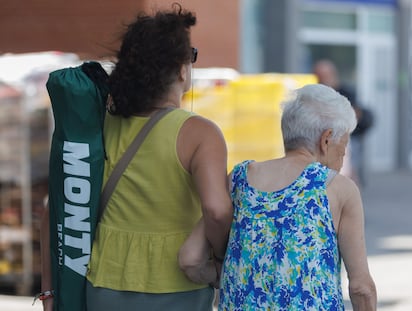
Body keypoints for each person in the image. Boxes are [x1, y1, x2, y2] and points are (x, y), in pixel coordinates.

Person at [40, 4, 233, 311]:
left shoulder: (98, 124)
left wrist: (50, 292)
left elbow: (56, 207)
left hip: (104, 284)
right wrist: (221, 261)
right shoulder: (201, 133)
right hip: (178, 288)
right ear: (182, 68)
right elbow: (217, 210)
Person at [218, 84, 377, 310]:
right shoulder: (338, 188)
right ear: (326, 139)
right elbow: (362, 288)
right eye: (343, 148)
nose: (342, 159)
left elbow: (190, 258)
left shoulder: (240, 178)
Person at [313, 59, 374, 186]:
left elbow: (356, 113)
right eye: (319, 76)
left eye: (324, 76)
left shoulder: (345, 92)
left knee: (346, 169)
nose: (322, 80)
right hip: (323, 139)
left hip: (345, 137)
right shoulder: (314, 94)